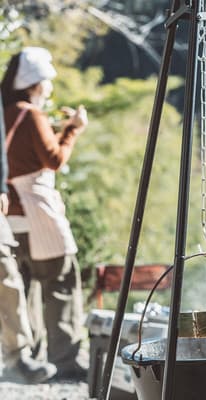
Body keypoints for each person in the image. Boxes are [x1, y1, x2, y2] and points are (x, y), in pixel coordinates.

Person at [0, 47, 88, 380]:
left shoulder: (5, 113)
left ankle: (29, 359)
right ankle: (65, 360)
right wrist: (73, 129)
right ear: (36, 84)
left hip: (10, 217)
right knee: (60, 281)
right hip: (39, 213)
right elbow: (54, 159)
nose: (49, 87)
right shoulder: (30, 115)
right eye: (47, 82)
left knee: (22, 287)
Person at [0, 90, 57, 383]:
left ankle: (17, 357)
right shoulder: (29, 113)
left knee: (5, 271)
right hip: (33, 209)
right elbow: (55, 159)